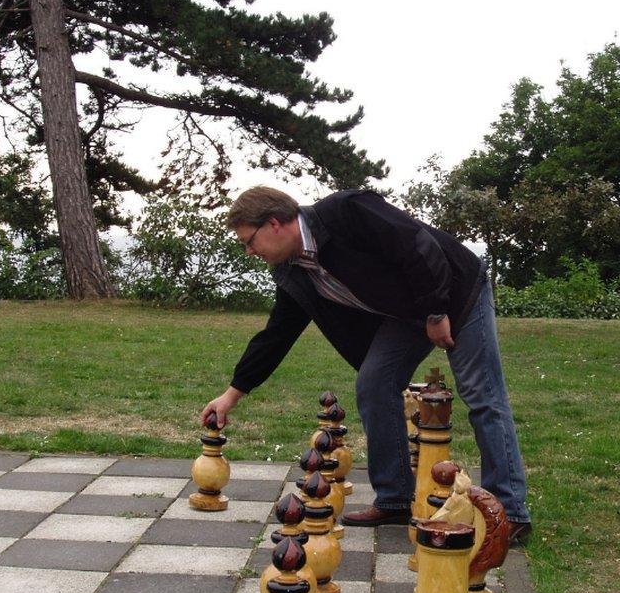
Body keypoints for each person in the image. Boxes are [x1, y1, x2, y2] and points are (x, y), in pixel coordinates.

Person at [203, 186, 531, 541]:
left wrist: (436, 310)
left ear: (274, 223)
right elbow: (276, 335)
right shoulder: (293, 272)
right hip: (406, 313)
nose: (250, 252)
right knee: (375, 383)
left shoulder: (347, 211)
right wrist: (231, 395)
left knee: (481, 393)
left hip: (454, 288)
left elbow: (418, 246)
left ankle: (509, 512)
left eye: (249, 241)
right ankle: (395, 499)